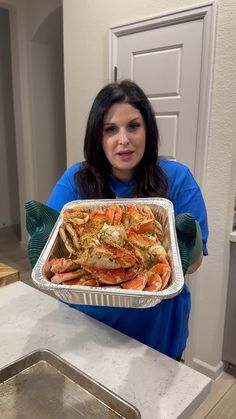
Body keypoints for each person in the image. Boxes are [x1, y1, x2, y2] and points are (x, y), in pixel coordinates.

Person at [47, 79, 208, 360]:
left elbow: (192, 265)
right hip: (88, 338)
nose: (123, 140)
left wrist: (188, 246)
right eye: (110, 129)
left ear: (148, 130)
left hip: (157, 343)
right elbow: (53, 264)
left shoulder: (178, 180)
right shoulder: (75, 182)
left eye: (133, 126)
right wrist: (44, 239)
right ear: (98, 136)